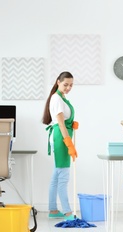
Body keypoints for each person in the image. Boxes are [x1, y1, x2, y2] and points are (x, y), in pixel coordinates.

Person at [42, 71, 78, 221]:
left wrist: (72, 123)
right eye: (65, 84)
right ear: (58, 82)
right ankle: (68, 213)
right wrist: (69, 143)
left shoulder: (62, 97)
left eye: (71, 85)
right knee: (63, 176)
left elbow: (65, 120)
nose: (68, 87)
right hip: (60, 137)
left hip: (61, 135)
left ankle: (53, 210)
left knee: (57, 175)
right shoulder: (56, 98)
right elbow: (61, 124)